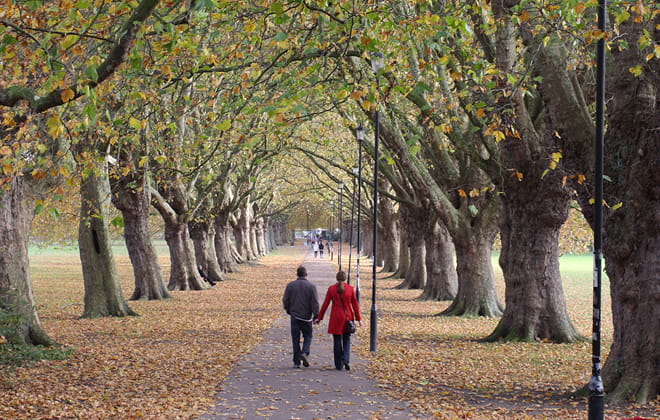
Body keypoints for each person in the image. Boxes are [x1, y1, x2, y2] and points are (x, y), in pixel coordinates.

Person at [314, 271, 362, 371]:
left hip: (336, 318)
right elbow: (355, 305)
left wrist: (320, 318)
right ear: (345, 278)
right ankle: (346, 358)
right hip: (347, 317)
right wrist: (359, 319)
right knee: (347, 339)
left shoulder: (331, 289)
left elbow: (325, 304)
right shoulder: (350, 289)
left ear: (337, 278)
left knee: (336, 340)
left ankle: (338, 365)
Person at [282, 266, 319, 368]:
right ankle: (305, 352)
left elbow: (285, 299)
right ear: (306, 274)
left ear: (297, 274)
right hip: (306, 317)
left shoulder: (290, 286)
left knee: (295, 338)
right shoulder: (311, 287)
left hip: (294, 315)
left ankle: (296, 361)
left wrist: (288, 309)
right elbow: (315, 303)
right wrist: (316, 315)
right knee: (308, 336)